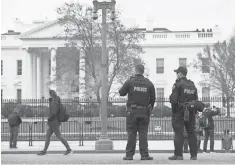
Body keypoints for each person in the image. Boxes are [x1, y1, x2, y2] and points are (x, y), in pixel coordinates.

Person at [119, 64, 155, 160]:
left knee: (132, 133)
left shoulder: (130, 81)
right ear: (143, 71)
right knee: (143, 133)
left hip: (132, 111)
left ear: (135, 71)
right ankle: (144, 155)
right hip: (144, 111)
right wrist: (149, 109)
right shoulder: (149, 83)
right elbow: (153, 99)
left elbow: (121, 93)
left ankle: (129, 155)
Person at [169, 66, 199, 160]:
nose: (176, 74)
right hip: (191, 112)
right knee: (191, 133)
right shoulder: (192, 84)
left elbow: (173, 100)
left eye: (177, 73)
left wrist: (174, 112)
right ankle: (194, 155)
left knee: (179, 133)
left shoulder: (178, 84)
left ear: (180, 74)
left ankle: (178, 155)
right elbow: (196, 99)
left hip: (179, 112)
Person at [37, 90, 73, 155]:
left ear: (51, 94)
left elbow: (53, 113)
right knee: (48, 136)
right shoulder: (56, 101)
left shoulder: (54, 102)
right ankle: (44, 151)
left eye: (49, 94)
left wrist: (49, 118)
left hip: (54, 122)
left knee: (59, 136)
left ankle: (69, 149)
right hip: (53, 122)